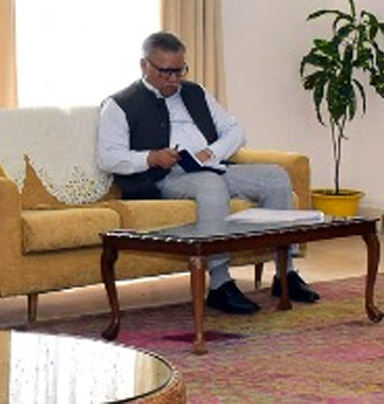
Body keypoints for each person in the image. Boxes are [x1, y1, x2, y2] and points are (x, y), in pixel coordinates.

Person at [97, 32, 320, 315]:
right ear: (144, 65)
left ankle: (285, 273)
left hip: (211, 166)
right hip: (166, 178)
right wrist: (151, 158)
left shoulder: (196, 92)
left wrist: (211, 153)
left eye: (179, 70)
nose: (173, 79)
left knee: (275, 177)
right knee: (210, 185)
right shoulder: (119, 105)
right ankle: (220, 284)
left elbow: (235, 131)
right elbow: (108, 157)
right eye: (165, 72)